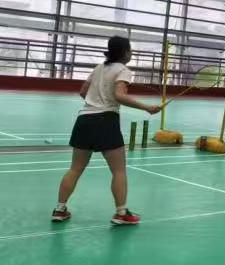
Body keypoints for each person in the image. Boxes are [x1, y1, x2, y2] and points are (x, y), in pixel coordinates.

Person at [52, 36, 161, 226]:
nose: (131, 53)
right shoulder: (123, 70)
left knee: (75, 169)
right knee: (119, 170)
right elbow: (119, 96)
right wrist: (147, 108)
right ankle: (121, 213)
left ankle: (59, 209)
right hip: (106, 120)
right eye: (130, 49)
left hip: (84, 119)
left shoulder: (99, 68)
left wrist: (95, 101)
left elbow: (83, 92)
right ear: (125, 52)